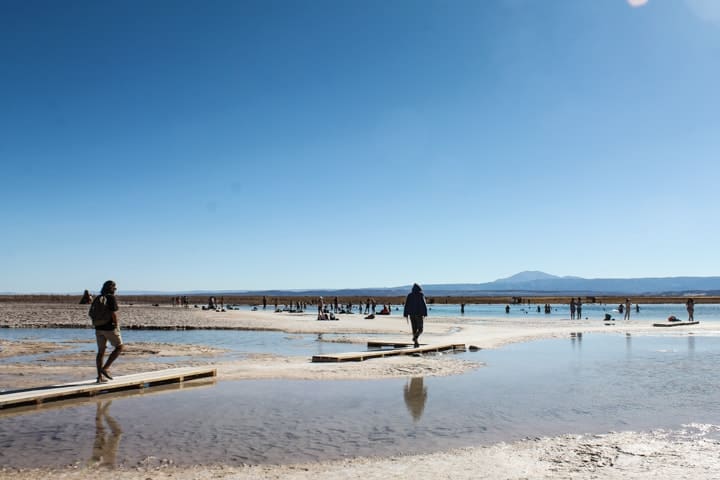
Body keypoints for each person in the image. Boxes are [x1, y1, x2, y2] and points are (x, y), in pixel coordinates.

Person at [93, 280, 123, 383]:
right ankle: (106, 368)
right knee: (119, 347)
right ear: (112, 288)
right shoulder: (111, 297)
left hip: (98, 327)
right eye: (114, 288)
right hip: (109, 327)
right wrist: (116, 324)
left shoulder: (98, 298)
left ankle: (99, 377)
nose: (115, 290)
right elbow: (113, 313)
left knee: (101, 352)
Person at [403, 283, 428, 348]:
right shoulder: (420, 295)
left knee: (414, 329)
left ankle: (416, 342)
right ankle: (415, 338)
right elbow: (423, 304)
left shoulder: (410, 295)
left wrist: (405, 313)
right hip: (419, 314)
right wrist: (425, 313)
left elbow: (406, 305)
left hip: (411, 314)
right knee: (420, 329)